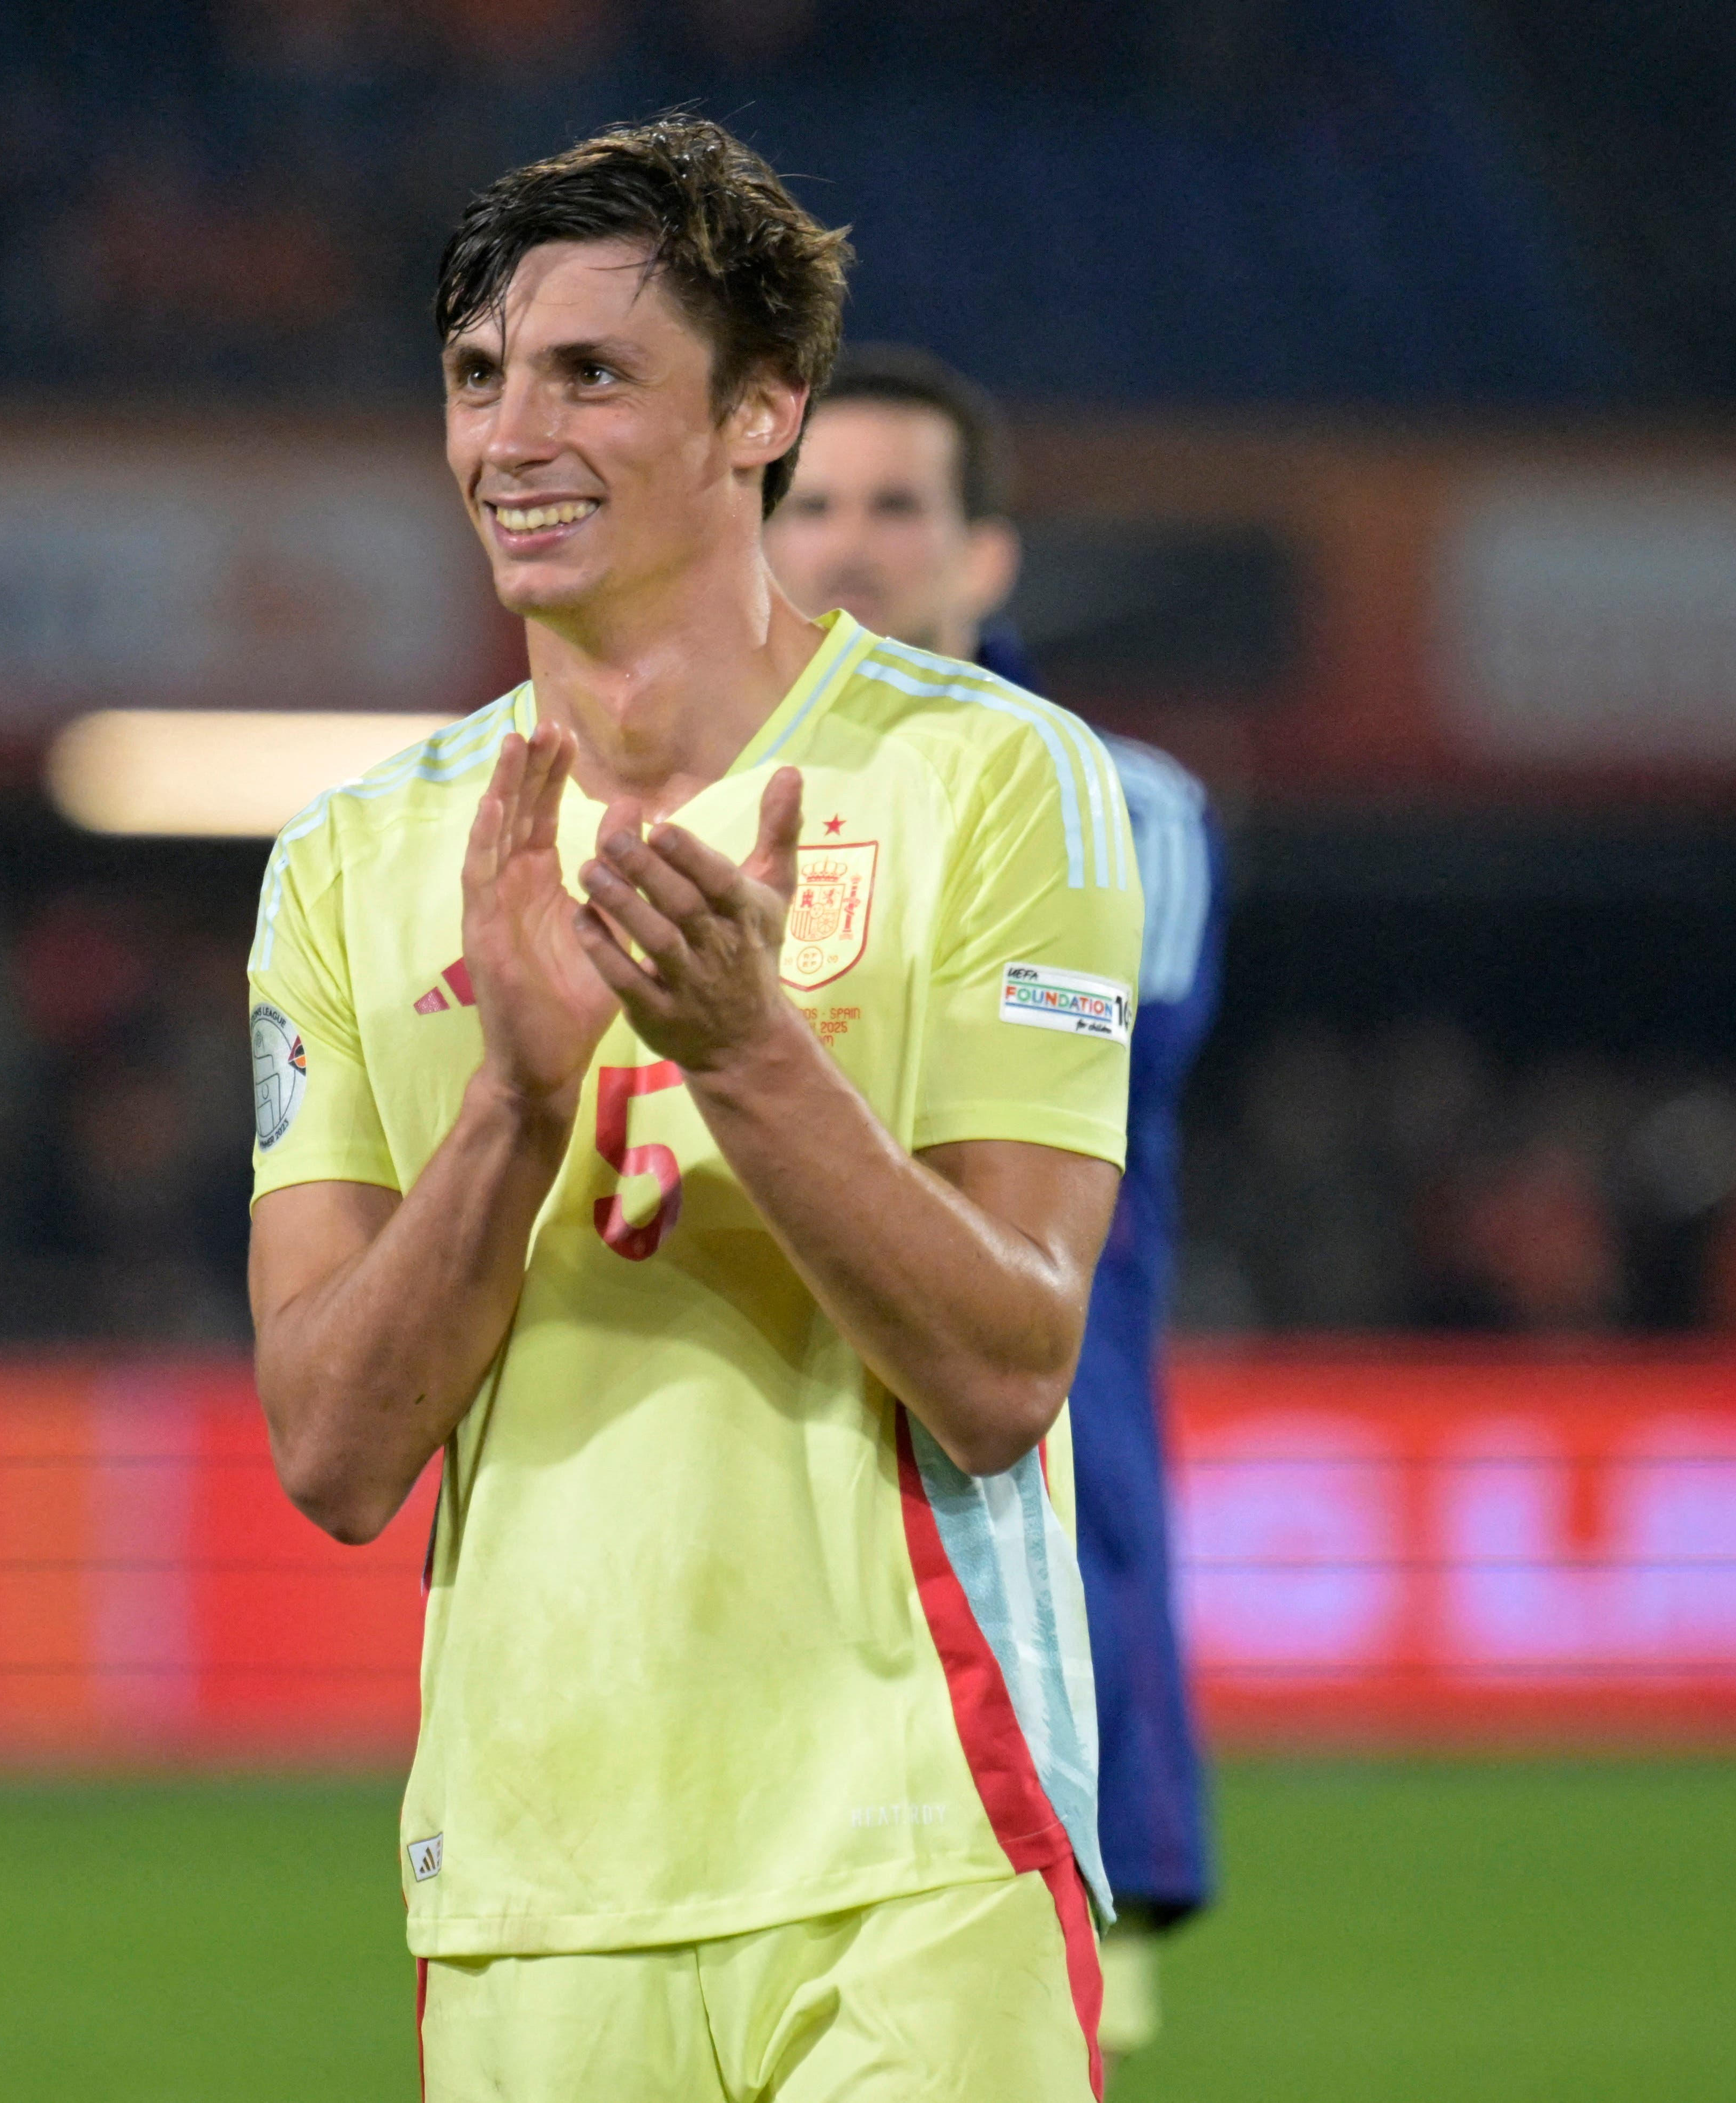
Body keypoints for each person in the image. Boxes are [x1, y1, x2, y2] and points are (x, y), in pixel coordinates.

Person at [244, 118, 1142, 2100]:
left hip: (916, 1846)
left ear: (763, 412)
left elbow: (1006, 1368)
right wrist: (514, 1103)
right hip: (524, 1891)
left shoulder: (994, 782)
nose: (510, 433)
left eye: (589, 372)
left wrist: (748, 1049)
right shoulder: (350, 860)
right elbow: (330, 1449)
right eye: (478, 376)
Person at [770, 344, 1225, 2076]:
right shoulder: (673, 805)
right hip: (750, 1583)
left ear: (986, 558)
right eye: (807, 505)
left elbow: (1020, 1093)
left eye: (899, 507)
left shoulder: (1123, 812)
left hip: (1018, 1557)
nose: (849, 549)